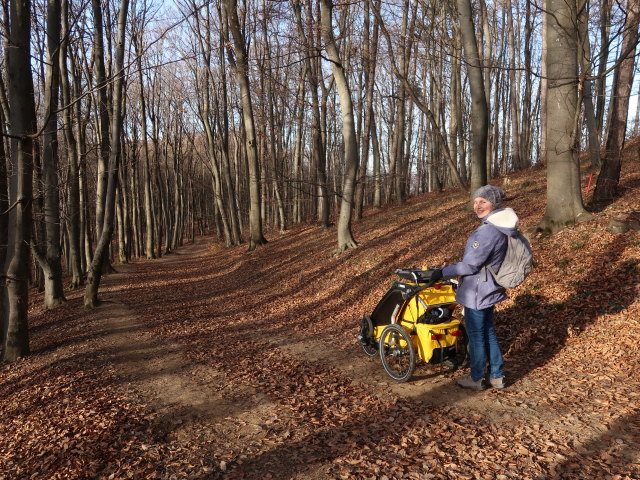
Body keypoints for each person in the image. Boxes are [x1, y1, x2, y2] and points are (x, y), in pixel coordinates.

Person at [431, 185, 520, 391]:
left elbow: (470, 265)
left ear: (494, 204)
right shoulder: (499, 227)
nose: (477, 206)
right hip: (488, 288)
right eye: (475, 201)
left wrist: (441, 272)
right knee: (487, 332)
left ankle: (477, 377)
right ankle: (496, 375)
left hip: (477, 292)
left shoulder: (488, 230)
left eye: (483, 202)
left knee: (477, 336)